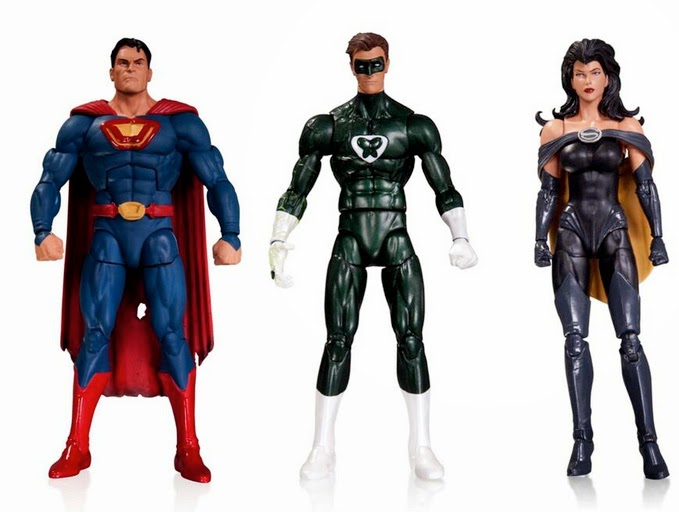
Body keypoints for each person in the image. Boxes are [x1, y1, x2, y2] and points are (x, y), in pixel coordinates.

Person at [31, 38, 241, 483]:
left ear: (150, 71)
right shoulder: (84, 124)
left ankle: (188, 447)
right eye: (122, 63)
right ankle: (77, 445)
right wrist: (42, 231)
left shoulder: (180, 123)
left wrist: (231, 234)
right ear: (111, 72)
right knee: (94, 334)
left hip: (158, 236)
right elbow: (50, 178)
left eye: (138, 62)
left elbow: (217, 179)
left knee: (173, 334)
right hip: (107, 236)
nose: (130, 68)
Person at [269, 32, 478, 481]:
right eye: (361, 65)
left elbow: (443, 185)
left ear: (388, 63)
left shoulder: (412, 125)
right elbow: (298, 186)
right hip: (350, 236)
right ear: (351, 67)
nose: (369, 73)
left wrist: (460, 236)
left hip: (395, 235)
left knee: (411, 339)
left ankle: (421, 446)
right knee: (337, 340)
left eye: (376, 64)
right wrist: (278, 240)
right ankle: (322, 447)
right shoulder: (329, 125)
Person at [534, 38, 669, 479]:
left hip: (614, 229)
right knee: (574, 340)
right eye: (580, 73)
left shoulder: (626, 125)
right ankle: (582, 441)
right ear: (570, 79)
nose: (588, 80)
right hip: (572, 232)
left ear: (608, 77)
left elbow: (645, 185)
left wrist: (658, 237)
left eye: (595, 72)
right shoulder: (556, 130)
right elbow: (548, 191)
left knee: (630, 340)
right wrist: (538, 239)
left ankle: (649, 444)